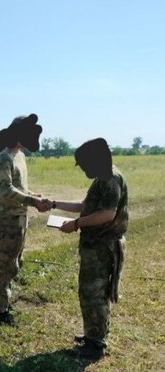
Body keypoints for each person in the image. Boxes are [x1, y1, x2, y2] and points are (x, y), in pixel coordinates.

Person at [52, 138, 128, 359]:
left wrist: (75, 224)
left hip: (102, 247)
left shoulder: (109, 177)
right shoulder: (102, 177)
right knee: (89, 292)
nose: (83, 169)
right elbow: (86, 207)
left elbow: (107, 214)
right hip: (95, 246)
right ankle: (93, 335)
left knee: (95, 293)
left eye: (84, 164)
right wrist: (55, 204)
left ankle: (95, 345)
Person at [0, 114, 51, 320]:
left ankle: (4, 302)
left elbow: (20, 188)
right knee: (6, 265)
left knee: (16, 262)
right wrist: (33, 201)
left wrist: (34, 195)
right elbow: (6, 191)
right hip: (9, 219)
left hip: (21, 217)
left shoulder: (19, 156)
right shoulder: (3, 158)